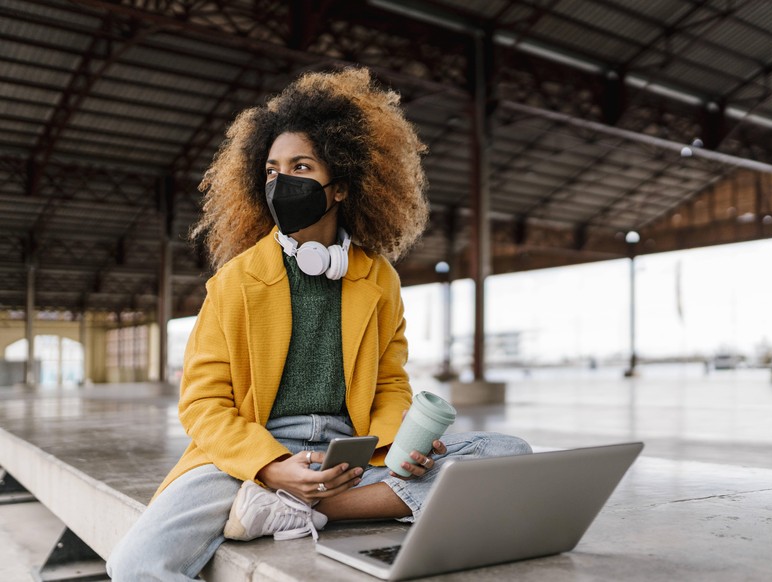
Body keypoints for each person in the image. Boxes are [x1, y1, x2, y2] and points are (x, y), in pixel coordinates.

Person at [106, 67, 531, 581]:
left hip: (352, 453)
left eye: (301, 167)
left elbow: (392, 382)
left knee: (506, 453)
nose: (281, 182)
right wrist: (269, 467)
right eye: (271, 170)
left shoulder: (379, 279)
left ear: (342, 188)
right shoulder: (234, 282)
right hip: (251, 453)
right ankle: (283, 493)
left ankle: (300, 509)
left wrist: (402, 442)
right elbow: (202, 404)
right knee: (135, 566)